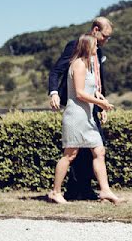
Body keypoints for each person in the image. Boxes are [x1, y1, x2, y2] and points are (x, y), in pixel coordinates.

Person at [47, 30, 120, 205]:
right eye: (95, 45)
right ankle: (55, 192)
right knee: (70, 155)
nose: (98, 47)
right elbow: (79, 93)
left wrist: (99, 96)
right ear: (87, 46)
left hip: (87, 116)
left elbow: (89, 88)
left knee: (99, 151)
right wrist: (100, 104)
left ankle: (105, 190)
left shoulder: (88, 65)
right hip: (76, 116)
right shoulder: (78, 64)